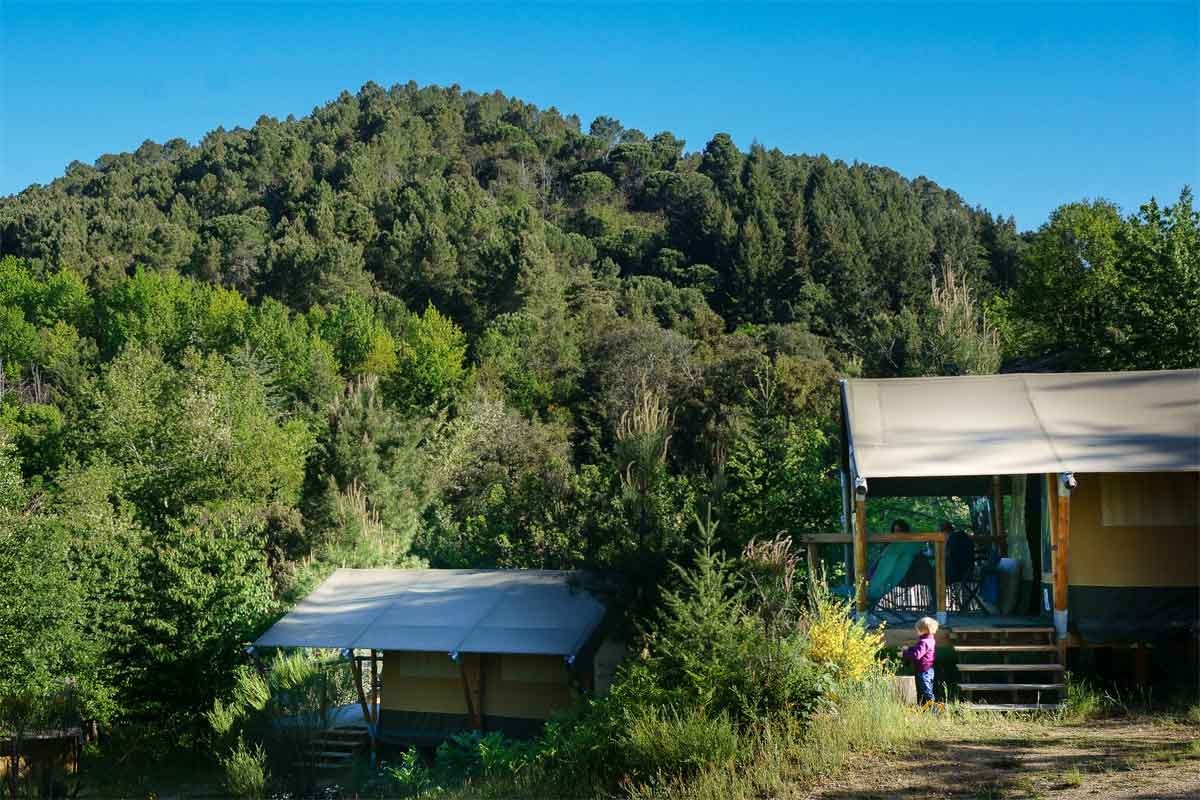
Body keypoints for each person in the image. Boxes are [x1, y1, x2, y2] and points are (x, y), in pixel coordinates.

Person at [903, 616, 938, 705]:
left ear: (923, 630)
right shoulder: (930, 639)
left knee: (925, 691)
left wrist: (904, 654)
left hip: (923, 671)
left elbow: (916, 655)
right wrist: (909, 649)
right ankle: (924, 707)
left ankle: (933, 708)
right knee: (925, 689)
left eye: (918, 629)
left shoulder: (924, 642)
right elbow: (919, 649)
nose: (917, 631)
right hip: (929, 669)